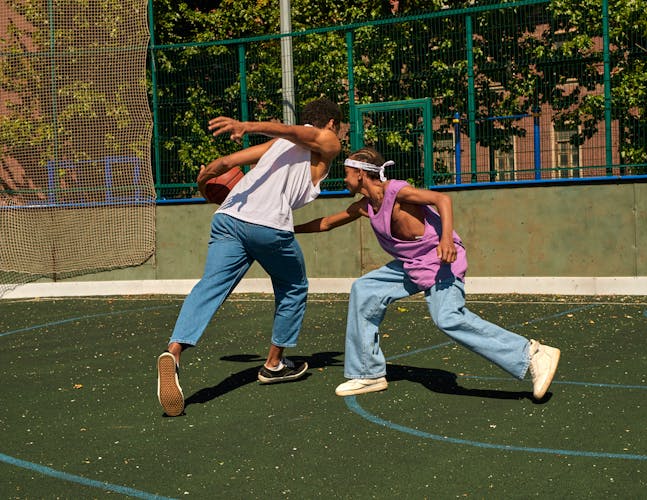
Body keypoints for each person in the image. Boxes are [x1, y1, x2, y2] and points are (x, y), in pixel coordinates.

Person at [294, 147, 560, 400]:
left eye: (346, 172)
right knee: (365, 289)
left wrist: (446, 239)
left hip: (441, 259)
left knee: (447, 317)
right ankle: (368, 373)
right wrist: (288, 228)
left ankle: (532, 353)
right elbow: (327, 223)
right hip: (411, 264)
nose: (344, 178)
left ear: (361, 173)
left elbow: (441, 199)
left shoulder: (397, 192)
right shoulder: (364, 206)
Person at [157, 98, 343, 416]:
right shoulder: (327, 139)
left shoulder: (277, 145)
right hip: (267, 224)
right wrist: (248, 126)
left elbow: (223, 164)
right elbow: (295, 132)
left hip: (228, 218)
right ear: (331, 124)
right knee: (294, 287)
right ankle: (273, 365)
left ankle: (174, 351)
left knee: (209, 287)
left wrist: (205, 185)